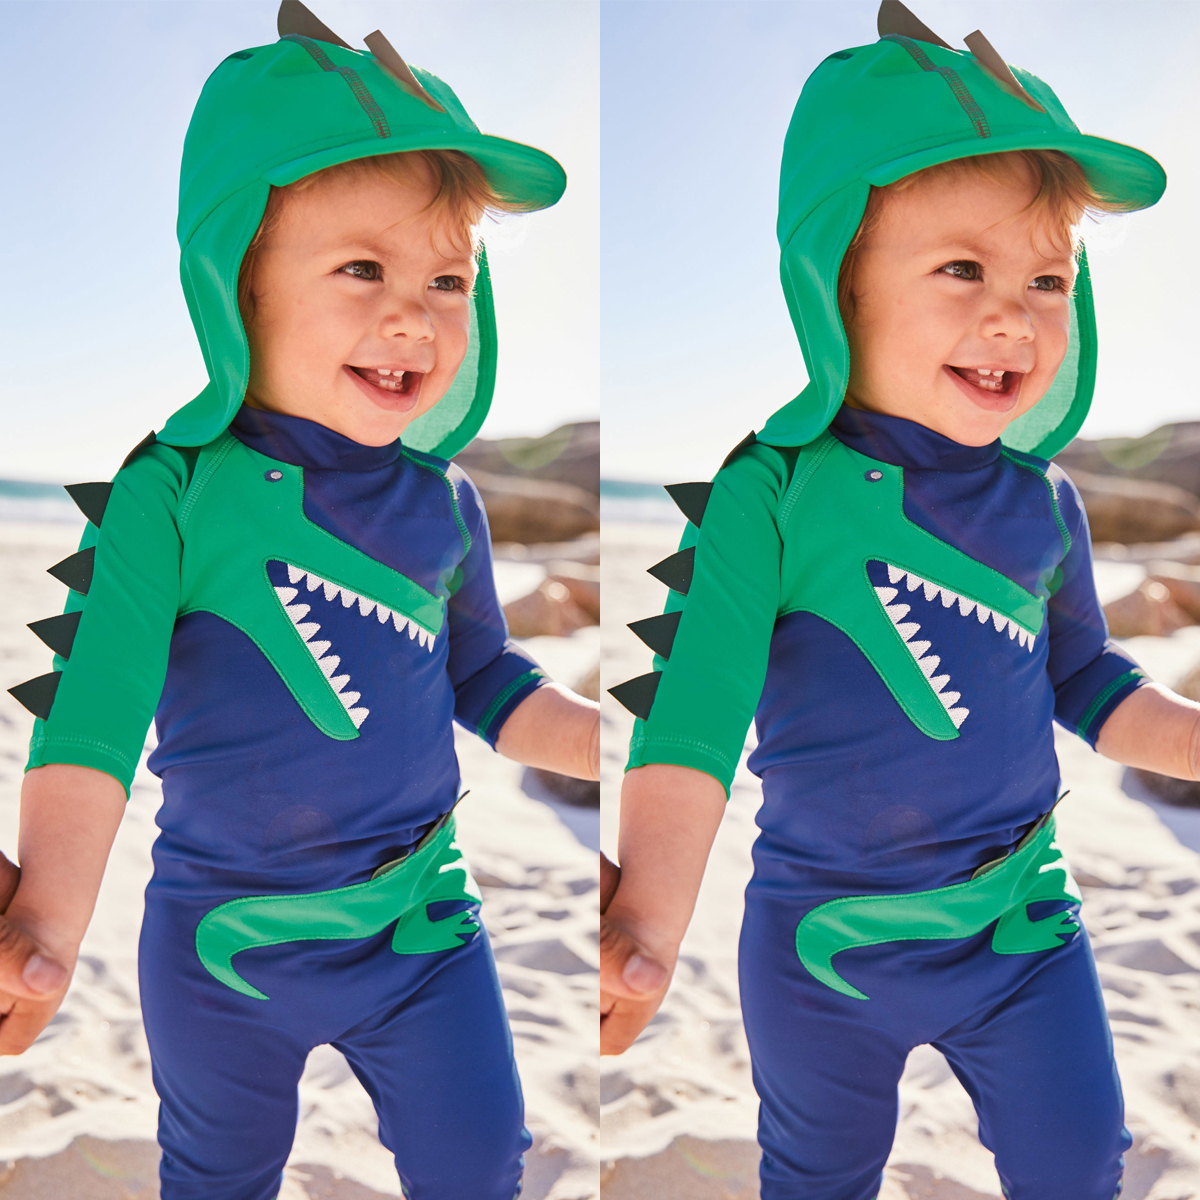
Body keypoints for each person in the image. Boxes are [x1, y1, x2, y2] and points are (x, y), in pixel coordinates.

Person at [1, 4, 597, 1198]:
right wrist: (49, 932)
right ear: (238, 286)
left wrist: (611, 744)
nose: (414, 312)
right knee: (218, 1172)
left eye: (448, 278)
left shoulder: (445, 505)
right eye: (362, 267)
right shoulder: (172, 494)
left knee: (482, 1161)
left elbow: (487, 679)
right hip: (221, 941)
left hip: (424, 931)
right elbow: (97, 721)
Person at [601, 4, 1192, 1198]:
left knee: (1080, 1161)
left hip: (1024, 930)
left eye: (1047, 277)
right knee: (818, 1171)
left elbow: (1091, 682)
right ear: (840, 288)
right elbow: (697, 724)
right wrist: (649, 926)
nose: (1015, 311)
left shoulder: (1044, 503)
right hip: (823, 944)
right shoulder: (773, 494)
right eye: (962, 267)